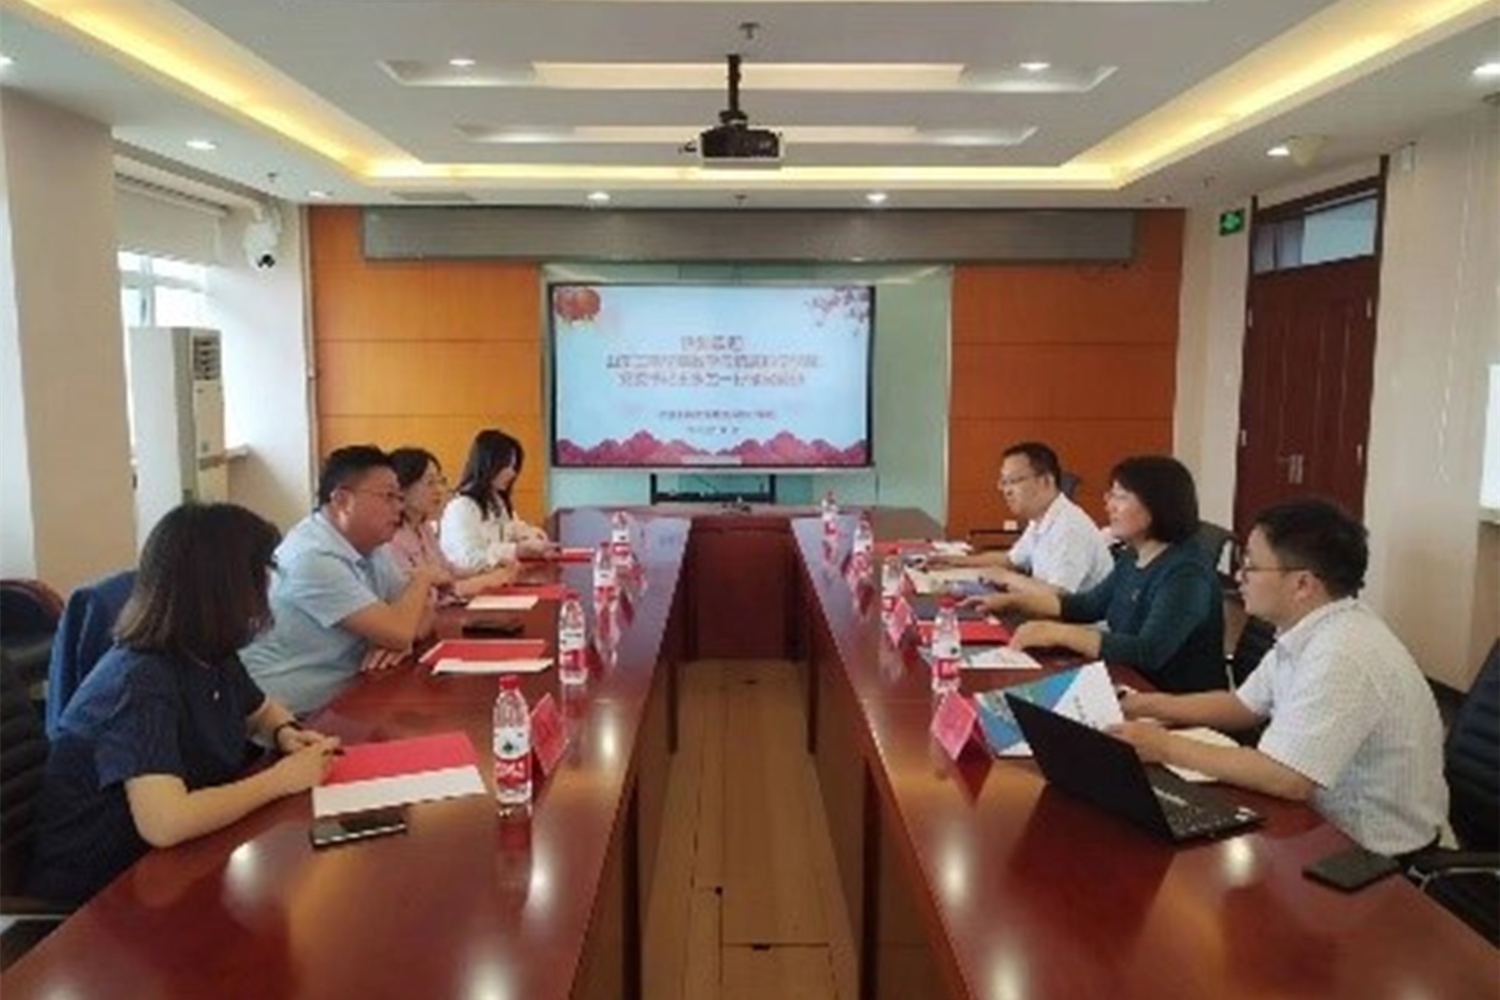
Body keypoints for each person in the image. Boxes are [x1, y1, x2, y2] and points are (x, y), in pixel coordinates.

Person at [26, 503, 339, 905]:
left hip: (173, 867)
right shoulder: (138, 681)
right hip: (100, 896)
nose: (267, 589)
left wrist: (284, 732)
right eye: (261, 575)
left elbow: (259, 712)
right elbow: (166, 822)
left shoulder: (208, 652)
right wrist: (281, 780)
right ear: (224, 587)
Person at [1111, 499, 1449, 856]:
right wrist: (1142, 705)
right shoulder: (1311, 626)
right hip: (1316, 823)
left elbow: (1287, 778)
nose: (1238, 576)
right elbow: (1243, 705)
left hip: (1372, 856)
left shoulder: (1342, 653)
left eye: (1251, 566)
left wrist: (1163, 746)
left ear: (1302, 584)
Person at [967, 455, 1224, 693]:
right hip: (1126, 682)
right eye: (1110, 495)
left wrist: (1058, 633)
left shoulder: (1186, 574)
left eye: (1120, 497)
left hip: (1170, 702)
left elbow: (1148, 652)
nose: (1109, 505)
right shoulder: (1133, 556)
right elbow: (1087, 605)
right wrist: (1012, 601)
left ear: (1158, 505)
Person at [241, 445, 439, 715]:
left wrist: (400, 639)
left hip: (351, 699)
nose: (399, 507)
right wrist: (423, 578)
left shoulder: (372, 545)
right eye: (389, 497)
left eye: (400, 498)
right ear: (343, 500)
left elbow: (422, 617)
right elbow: (401, 629)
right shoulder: (311, 558)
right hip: (291, 718)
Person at [932, 441, 1112, 594]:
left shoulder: (1070, 528)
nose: (1006, 491)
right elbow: (1010, 560)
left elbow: (1059, 596)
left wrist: (1005, 577)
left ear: (1046, 481)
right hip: (1045, 614)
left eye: (1013, 481)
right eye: (1004, 482)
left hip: (1076, 623)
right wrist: (954, 561)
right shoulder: (1041, 519)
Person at [388, 447, 516, 598]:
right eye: (430, 482)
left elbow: (447, 570)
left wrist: (486, 570)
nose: (439, 490)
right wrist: (487, 580)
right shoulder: (391, 538)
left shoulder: (423, 527)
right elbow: (429, 596)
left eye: (440, 481)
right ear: (402, 488)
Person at [440, 429, 556, 571]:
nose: (512, 473)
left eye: (514, 467)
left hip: (499, 577)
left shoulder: (496, 500)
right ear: (487, 464)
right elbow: (467, 560)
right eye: (507, 466)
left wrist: (530, 534)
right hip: (475, 582)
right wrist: (516, 550)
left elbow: (511, 528)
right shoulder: (461, 507)